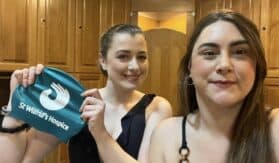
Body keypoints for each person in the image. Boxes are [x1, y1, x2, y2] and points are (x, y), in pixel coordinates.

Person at [0, 24, 172, 163]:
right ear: (103, 61)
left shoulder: (157, 107)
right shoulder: (74, 103)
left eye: (141, 57)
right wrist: (16, 104)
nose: (135, 66)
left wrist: (100, 133)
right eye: (123, 56)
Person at [149, 10, 279, 163]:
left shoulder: (274, 128)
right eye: (209, 53)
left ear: (257, 67)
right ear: (190, 67)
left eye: (240, 51)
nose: (224, 65)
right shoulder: (165, 135)